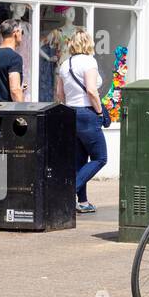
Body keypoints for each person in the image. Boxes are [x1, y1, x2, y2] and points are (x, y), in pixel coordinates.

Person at [55, 29, 108, 214]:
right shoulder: (89, 62)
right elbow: (92, 91)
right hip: (88, 114)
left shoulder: (64, 64)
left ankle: (83, 202)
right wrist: (100, 113)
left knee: (79, 161)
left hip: (71, 114)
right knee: (100, 158)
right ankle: (69, 189)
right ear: (88, 43)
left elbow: (60, 95)